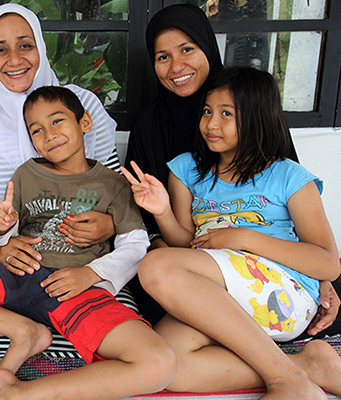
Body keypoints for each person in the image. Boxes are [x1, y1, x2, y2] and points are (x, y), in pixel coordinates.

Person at [0, 86, 176, 400]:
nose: (49, 134)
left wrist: (91, 274)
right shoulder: (28, 173)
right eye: (36, 130)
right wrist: (0, 229)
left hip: (73, 288)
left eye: (58, 121)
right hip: (14, 275)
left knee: (158, 363)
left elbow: (135, 245)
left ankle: (19, 394)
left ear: (85, 123)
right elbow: (5, 239)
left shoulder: (114, 184)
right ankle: (23, 331)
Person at [122, 67, 341, 399]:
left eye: (226, 114)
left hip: (282, 296)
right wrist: (163, 211)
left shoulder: (288, 176)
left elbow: (328, 264)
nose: (211, 124)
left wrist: (244, 238)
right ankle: (307, 366)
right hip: (216, 294)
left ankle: (285, 380)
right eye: (208, 111)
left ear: (257, 118)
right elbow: (186, 244)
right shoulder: (185, 170)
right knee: (167, 362)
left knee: (155, 266)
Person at [124, 3, 340, 336]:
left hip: (270, 267)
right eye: (162, 56)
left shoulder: (254, 109)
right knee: (161, 340)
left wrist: (322, 277)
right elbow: (159, 227)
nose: (176, 65)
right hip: (184, 260)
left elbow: (308, 236)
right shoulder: (154, 131)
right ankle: (299, 367)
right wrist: (160, 236)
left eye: (187, 49)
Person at [0, 4, 124, 285]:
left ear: (41, 49)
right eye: (0, 50)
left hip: (81, 253)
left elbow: (115, 185)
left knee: (114, 320)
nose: (14, 60)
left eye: (25, 45)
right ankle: (24, 327)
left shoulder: (81, 106)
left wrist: (110, 225)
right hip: (2, 253)